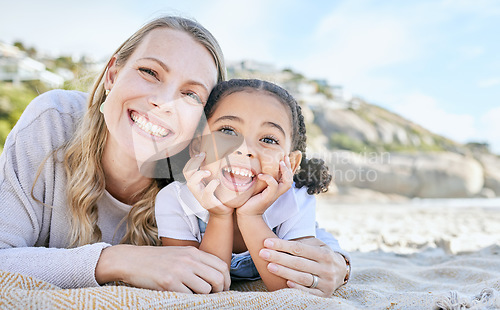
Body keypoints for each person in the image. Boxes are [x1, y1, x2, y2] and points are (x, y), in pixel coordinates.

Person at [0, 16, 349, 297]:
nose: (164, 102)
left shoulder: (201, 170)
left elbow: (300, 224)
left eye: (191, 94)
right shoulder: (54, 121)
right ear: (112, 74)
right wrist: (118, 260)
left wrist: (339, 263)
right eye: (149, 72)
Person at [156, 79, 341, 292]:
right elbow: (202, 283)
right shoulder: (175, 200)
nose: (244, 149)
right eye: (228, 131)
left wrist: (251, 217)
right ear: (197, 146)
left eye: (269, 140)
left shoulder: (296, 199)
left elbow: (288, 288)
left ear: (290, 163)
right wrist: (219, 215)